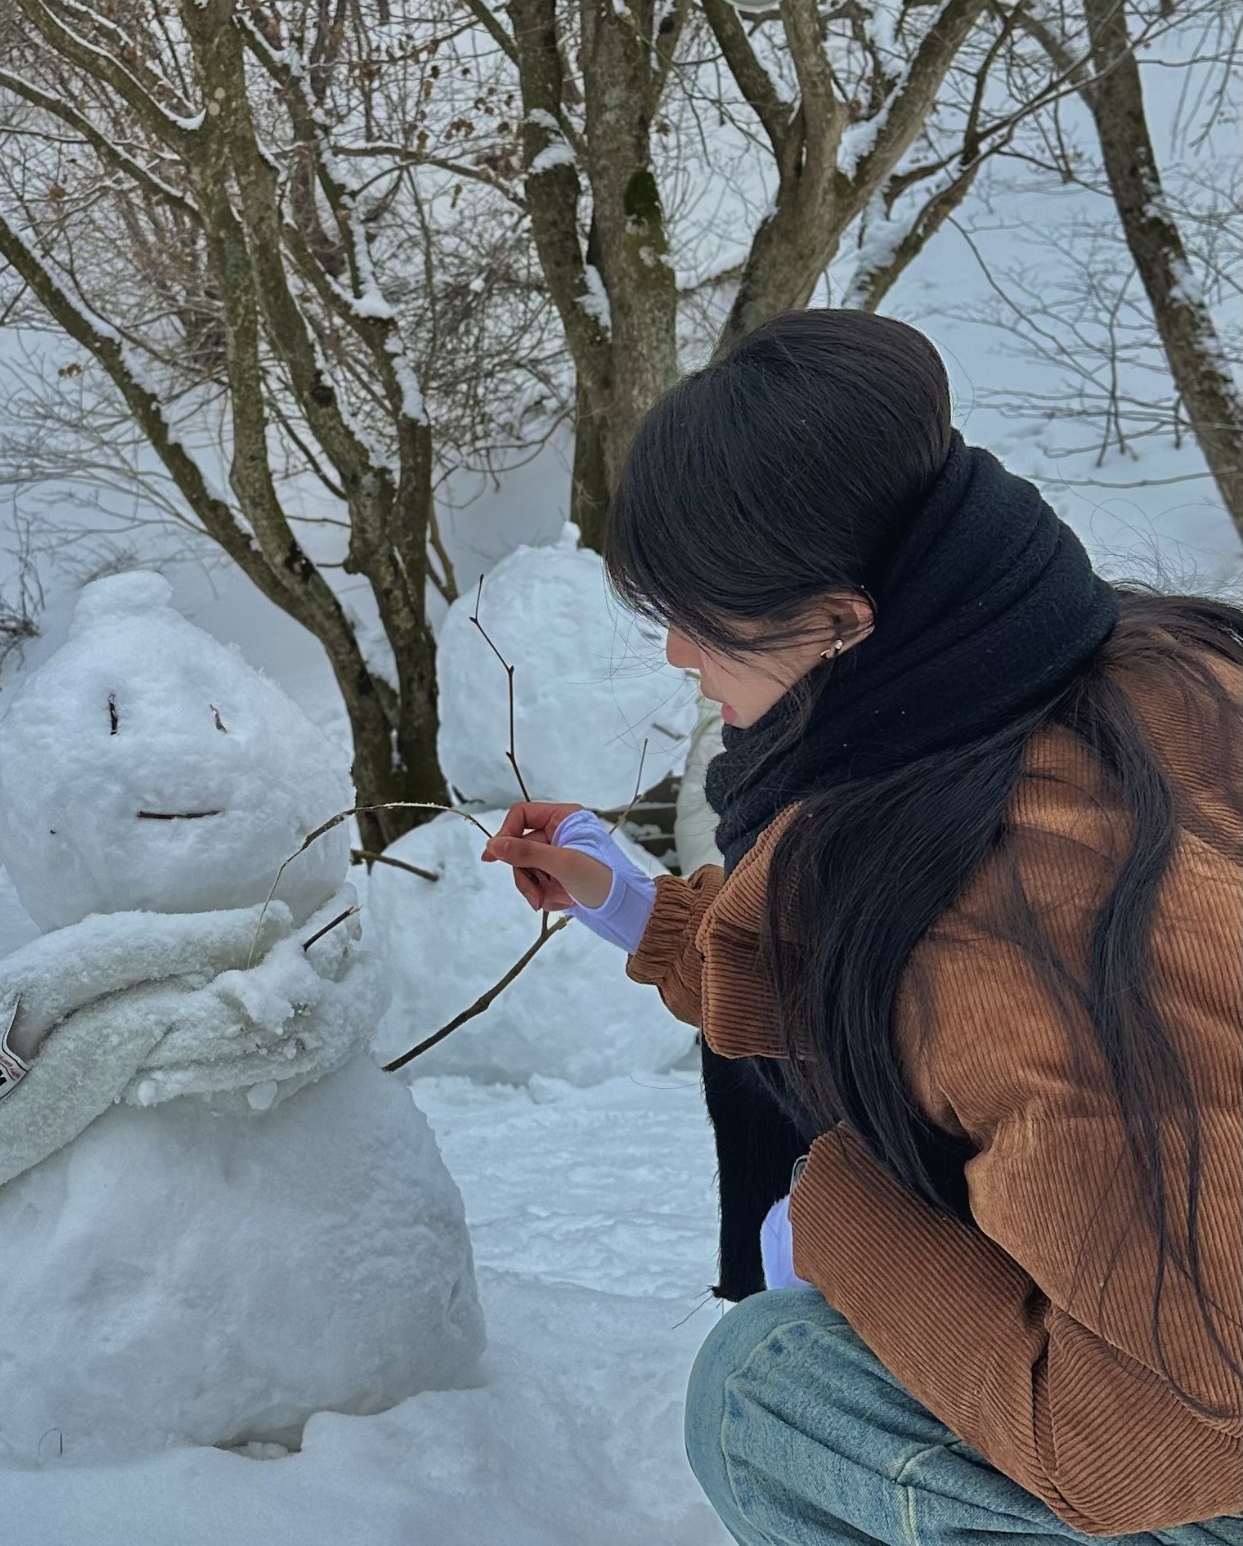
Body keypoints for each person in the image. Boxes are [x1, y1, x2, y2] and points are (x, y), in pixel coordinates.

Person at [482, 311, 1242, 1546]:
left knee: (769, 1388)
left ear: (844, 622)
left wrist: (839, 1216)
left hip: (1202, 1420)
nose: (677, 654)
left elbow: (1159, 1435)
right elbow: (871, 954)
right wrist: (651, 918)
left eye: (704, 619)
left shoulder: (1016, 927)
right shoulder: (1140, 670)